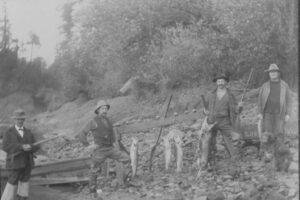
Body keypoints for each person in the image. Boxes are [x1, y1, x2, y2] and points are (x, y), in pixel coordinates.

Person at [79, 100, 135, 198]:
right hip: (99, 150)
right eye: (102, 109)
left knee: (127, 159)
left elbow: (112, 133)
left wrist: (114, 143)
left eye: (106, 108)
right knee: (94, 170)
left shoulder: (108, 120)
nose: (105, 110)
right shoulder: (93, 121)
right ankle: (93, 192)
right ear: (98, 110)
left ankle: (127, 182)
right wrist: (87, 145)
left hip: (110, 148)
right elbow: (82, 133)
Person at [203, 73, 243, 168]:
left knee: (229, 138)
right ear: (216, 83)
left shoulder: (231, 95)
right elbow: (205, 108)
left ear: (225, 82)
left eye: (222, 81)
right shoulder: (211, 94)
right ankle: (209, 159)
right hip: (212, 120)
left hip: (225, 120)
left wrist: (240, 107)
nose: (220, 83)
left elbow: (236, 110)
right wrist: (205, 111)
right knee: (210, 140)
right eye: (219, 81)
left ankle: (233, 158)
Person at [1, 109, 39, 200]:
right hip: (15, 163)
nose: (20, 121)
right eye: (18, 119)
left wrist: (31, 148)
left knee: (25, 181)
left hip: (27, 163)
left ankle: (22, 198)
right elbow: (5, 146)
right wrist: (21, 147)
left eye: (22, 119)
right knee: (12, 182)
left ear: (24, 120)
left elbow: (37, 145)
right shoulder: (9, 132)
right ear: (14, 120)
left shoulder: (28, 132)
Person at [257, 64, 292, 144]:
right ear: (269, 74)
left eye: (274, 72)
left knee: (279, 133)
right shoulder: (264, 86)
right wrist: (259, 113)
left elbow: (289, 100)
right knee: (267, 134)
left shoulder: (284, 85)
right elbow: (259, 101)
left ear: (278, 73)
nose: (272, 73)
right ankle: (269, 154)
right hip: (267, 114)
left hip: (280, 114)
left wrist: (288, 114)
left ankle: (279, 154)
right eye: (271, 72)